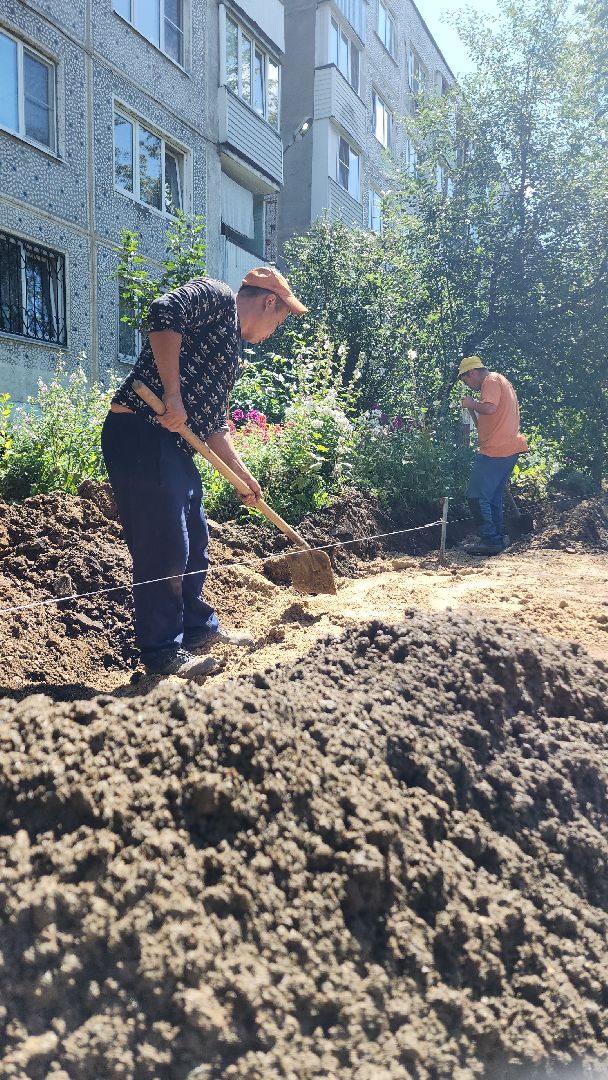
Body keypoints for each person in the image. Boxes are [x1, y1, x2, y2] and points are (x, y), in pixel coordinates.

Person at [101, 267, 308, 677]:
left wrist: (244, 477)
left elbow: (213, 427)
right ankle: (161, 652)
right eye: (280, 321)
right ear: (269, 302)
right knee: (166, 546)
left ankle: (197, 629)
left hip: (174, 447)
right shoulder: (216, 297)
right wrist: (173, 396)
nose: (274, 332)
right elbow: (163, 312)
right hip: (140, 433)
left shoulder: (229, 352)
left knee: (196, 540)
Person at [458, 355, 529, 555]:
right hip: (506, 448)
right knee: (492, 498)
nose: (468, 384)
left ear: (472, 372)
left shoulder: (490, 381)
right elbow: (491, 416)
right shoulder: (500, 381)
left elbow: (489, 408)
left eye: (466, 380)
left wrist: (471, 404)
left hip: (496, 450)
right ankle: (497, 537)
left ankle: (490, 540)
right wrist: (473, 407)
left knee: (476, 496)